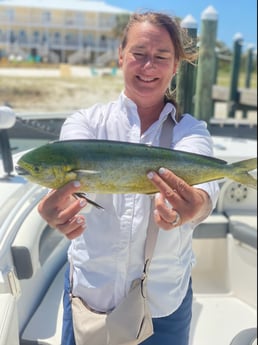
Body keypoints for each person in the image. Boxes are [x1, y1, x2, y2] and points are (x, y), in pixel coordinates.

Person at [38, 11, 219, 345]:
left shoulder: (190, 131)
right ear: (121, 56)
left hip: (163, 303)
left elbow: (206, 182)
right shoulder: (86, 124)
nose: (148, 67)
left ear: (176, 65)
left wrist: (195, 205)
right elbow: (70, 183)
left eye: (161, 57)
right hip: (89, 295)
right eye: (138, 54)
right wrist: (60, 208)